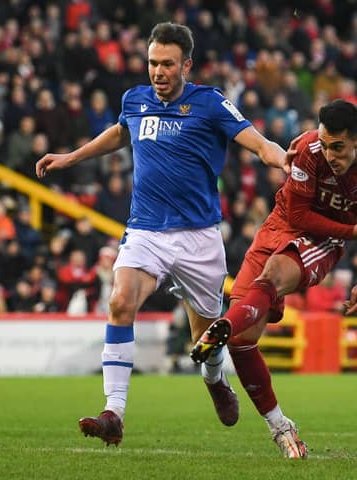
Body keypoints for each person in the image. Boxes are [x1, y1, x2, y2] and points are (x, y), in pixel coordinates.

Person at [35, 22, 287, 447]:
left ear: (186, 64)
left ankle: (214, 380)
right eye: (152, 63)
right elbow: (120, 133)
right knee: (119, 301)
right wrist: (70, 158)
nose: (158, 71)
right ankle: (114, 412)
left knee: (204, 341)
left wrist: (286, 160)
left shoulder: (209, 103)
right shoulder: (134, 100)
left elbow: (259, 144)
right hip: (146, 230)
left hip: (199, 239)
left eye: (167, 64)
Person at [192, 99, 357, 458]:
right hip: (280, 225)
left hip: (323, 242)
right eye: (326, 144)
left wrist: (348, 236)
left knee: (274, 274)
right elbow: (298, 215)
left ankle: (218, 328)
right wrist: (354, 228)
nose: (330, 154)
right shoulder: (308, 149)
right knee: (242, 340)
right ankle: (281, 426)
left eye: (339, 147)